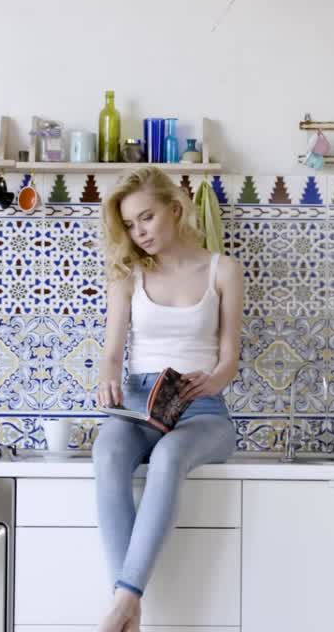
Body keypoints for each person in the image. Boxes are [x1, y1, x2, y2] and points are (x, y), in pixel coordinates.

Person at [92, 167, 244, 632]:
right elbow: (113, 351)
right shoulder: (128, 275)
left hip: (202, 411)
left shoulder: (224, 269)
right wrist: (107, 378)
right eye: (131, 225)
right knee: (108, 451)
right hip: (142, 404)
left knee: (171, 454)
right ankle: (128, 604)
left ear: (175, 210)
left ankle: (122, 603)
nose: (140, 233)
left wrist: (215, 379)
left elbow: (231, 357)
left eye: (147, 218)